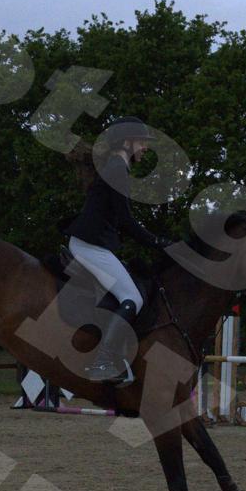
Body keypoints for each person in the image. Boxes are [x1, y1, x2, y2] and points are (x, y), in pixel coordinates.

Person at [64, 118, 168, 384]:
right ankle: (103, 362)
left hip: (93, 243)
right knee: (133, 297)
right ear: (127, 142)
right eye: (142, 142)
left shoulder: (116, 167)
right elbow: (126, 221)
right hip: (90, 245)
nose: (145, 148)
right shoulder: (116, 169)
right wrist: (159, 243)